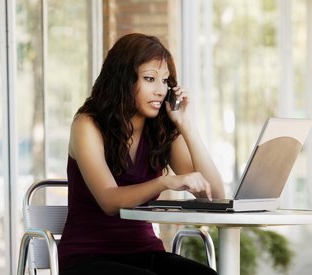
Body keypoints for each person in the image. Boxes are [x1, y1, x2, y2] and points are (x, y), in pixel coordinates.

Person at [58, 33, 225, 275]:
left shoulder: (160, 129)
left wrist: (186, 125)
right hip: (87, 257)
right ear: (123, 80)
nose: (160, 90)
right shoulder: (87, 125)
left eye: (165, 81)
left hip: (144, 252)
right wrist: (166, 181)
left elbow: (215, 195)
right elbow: (109, 201)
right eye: (150, 79)